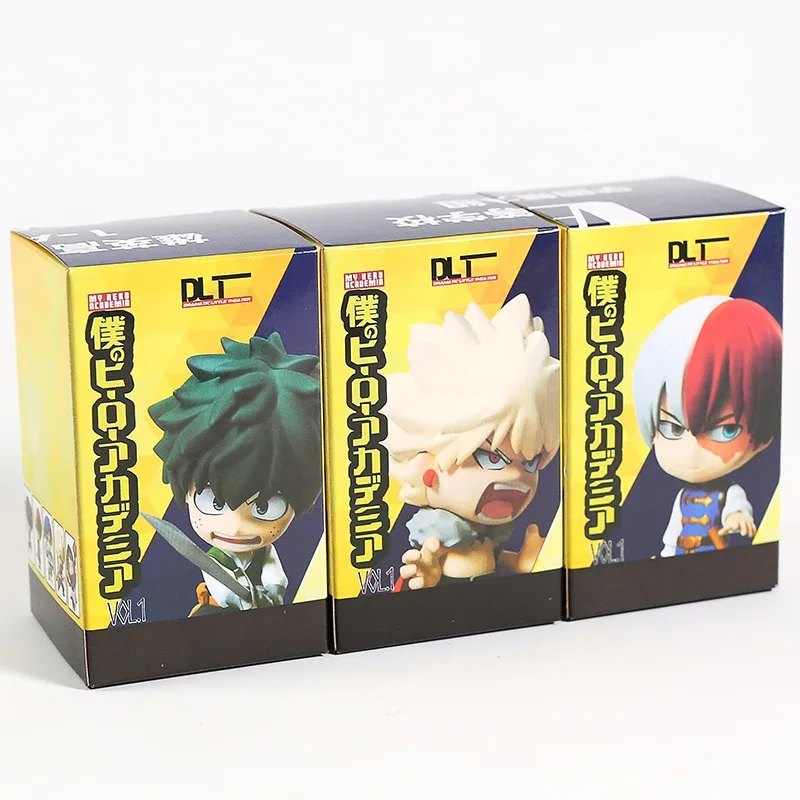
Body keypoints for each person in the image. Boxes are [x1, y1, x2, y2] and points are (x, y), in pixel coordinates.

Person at [385, 295, 560, 589]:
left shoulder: (489, 535)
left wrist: (521, 561)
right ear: (426, 466)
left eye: (530, 462)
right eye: (491, 458)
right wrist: (428, 577)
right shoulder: (437, 535)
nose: (515, 477)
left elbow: (496, 557)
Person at [633, 296, 782, 556]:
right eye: (672, 428)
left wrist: (738, 518)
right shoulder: (683, 497)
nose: (692, 451)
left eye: (726, 430)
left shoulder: (729, 493)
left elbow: (737, 510)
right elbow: (673, 535)